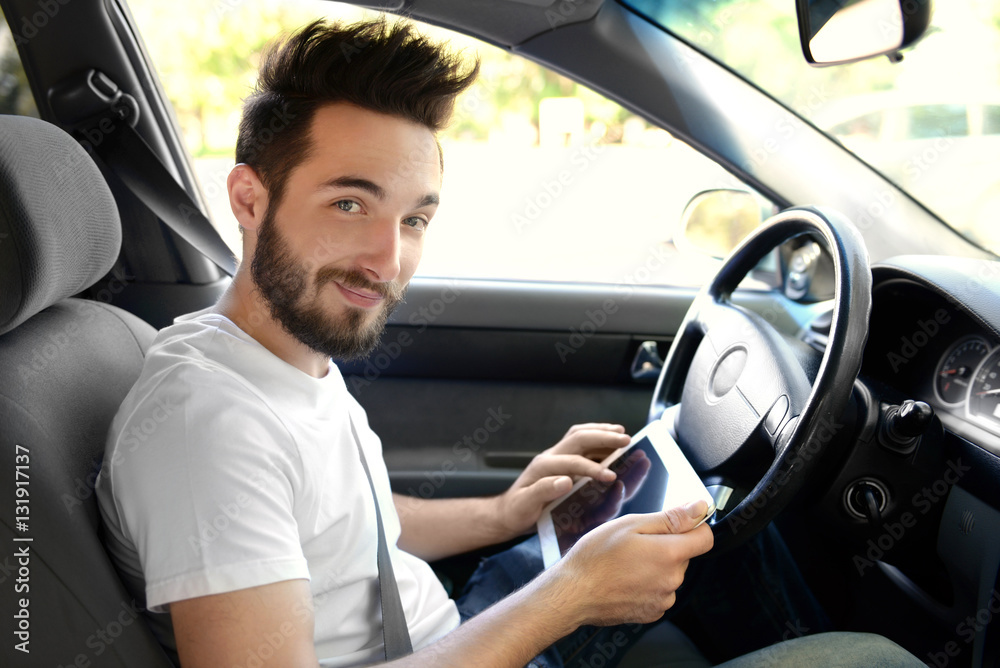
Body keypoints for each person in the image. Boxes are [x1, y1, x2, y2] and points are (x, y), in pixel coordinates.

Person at [95, 16, 923, 668]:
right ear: (249, 198)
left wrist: (507, 512)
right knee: (875, 659)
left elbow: (352, 527)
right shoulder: (207, 426)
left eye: (414, 218)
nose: (389, 259)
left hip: (462, 618)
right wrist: (567, 597)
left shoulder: (282, 356)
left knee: (716, 526)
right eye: (351, 204)